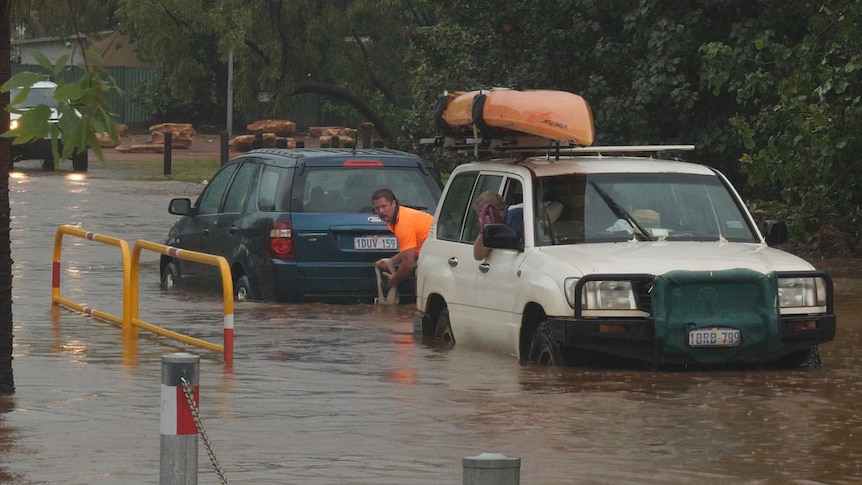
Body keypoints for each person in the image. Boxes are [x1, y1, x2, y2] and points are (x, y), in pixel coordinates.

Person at [372, 188, 433, 289]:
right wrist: (390, 262)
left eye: (384, 206)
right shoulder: (399, 216)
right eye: (377, 208)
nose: (381, 211)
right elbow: (410, 249)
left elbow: (409, 263)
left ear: (394, 204)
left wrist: (394, 280)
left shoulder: (403, 225)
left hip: (437, 256)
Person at [472, 191, 524, 260]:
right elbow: (478, 255)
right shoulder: (495, 225)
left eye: (482, 216)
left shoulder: (516, 215)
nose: (480, 220)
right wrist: (484, 228)